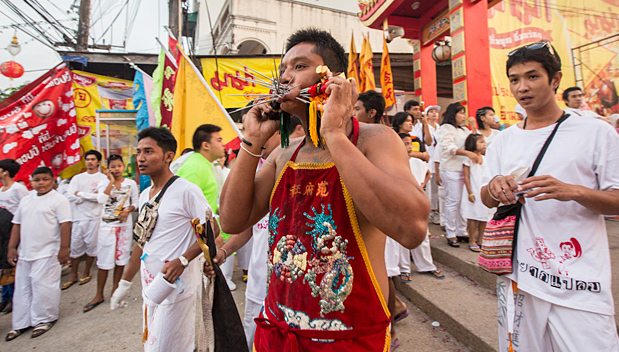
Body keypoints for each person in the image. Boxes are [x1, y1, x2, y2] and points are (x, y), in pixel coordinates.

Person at [219, 28, 429, 351]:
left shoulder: (373, 141)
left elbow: (413, 228)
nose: (285, 77)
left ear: (331, 79)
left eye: (299, 67)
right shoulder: (283, 154)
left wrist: (333, 132)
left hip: (346, 337)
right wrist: (252, 141)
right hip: (277, 330)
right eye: (283, 69)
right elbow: (232, 221)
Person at [482, 41, 619, 351]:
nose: (522, 87)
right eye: (514, 79)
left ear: (555, 79)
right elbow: (486, 197)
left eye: (533, 77)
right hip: (520, 276)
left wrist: (573, 191)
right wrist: (495, 188)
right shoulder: (504, 142)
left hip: (581, 283)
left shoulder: (595, 133)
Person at [110, 127, 210, 351]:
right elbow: (141, 241)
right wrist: (124, 284)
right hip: (152, 284)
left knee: (165, 347)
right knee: (153, 343)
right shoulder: (146, 194)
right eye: (138, 152)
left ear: (168, 156)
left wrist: (183, 260)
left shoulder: (187, 190)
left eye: (148, 152)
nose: (141, 158)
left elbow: (210, 232)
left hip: (177, 285)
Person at [212, 130, 286, 350]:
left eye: (270, 130)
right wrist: (224, 252)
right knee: (251, 341)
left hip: (287, 292)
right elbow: (247, 226)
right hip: (257, 287)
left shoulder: (299, 173)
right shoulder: (256, 172)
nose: (262, 137)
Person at [5, 167, 72, 340]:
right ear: (31, 181)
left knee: (43, 286)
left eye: (44, 179)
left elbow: (65, 224)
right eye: (37, 180)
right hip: (25, 252)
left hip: (48, 251)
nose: (40, 183)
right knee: (22, 288)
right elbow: (17, 224)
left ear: (52, 180)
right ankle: (21, 323)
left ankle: (44, 319)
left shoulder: (59, 200)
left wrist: (64, 248)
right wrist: (12, 247)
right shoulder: (26, 200)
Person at [83, 154, 139, 313]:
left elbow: (135, 202)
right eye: (113, 166)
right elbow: (101, 199)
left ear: (123, 166)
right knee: (104, 261)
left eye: (119, 166)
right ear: (108, 168)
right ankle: (99, 294)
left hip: (124, 227)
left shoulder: (131, 184)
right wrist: (111, 182)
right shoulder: (103, 183)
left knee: (120, 260)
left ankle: (115, 290)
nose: (116, 169)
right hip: (107, 226)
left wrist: (128, 211)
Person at [397, 133, 443, 283]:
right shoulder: (395, 163)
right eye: (405, 144)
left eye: (410, 144)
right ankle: (404, 268)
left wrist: (422, 185)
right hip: (402, 203)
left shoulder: (417, 162)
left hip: (417, 202)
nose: (409, 147)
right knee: (403, 236)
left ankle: (426, 265)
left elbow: (428, 173)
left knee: (422, 234)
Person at [437, 103, 480, 247]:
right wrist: (466, 153)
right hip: (451, 169)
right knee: (453, 202)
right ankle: (451, 233)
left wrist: (473, 126)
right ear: (453, 114)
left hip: (464, 170)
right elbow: (449, 147)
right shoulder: (446, 128)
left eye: (464, 113)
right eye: (461, 113)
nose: (463, 116)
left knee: (463, 202)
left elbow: (474, 141)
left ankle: (461, 231)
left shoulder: (463, 130)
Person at [63, 150, 107, 289]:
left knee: (91, 247)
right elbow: (70, 196)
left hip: (94, 218)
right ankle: (73, 274)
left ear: (98, 162)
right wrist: (89, 196)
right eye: (87, 159)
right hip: (78, 218)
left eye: (93, 159)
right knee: (75, 247)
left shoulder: (102, 179)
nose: (90, 162)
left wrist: (80, 195)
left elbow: (100, 198)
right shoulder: (77, 178)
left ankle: (87, 271)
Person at [0, 159, 29, 314]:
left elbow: (27, 206)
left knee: (13, 264)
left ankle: (14, 297)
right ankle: (5, 298)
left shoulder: (18, 188)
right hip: (2, 233)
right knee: (4, 264)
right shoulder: (2, 190)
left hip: (14, 231)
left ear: (5, 171)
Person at [460, 134, 490, 253]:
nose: (484, 144)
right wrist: (470, 192)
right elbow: (466, 177)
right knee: (473, 216)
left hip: (483, 189)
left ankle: (481, 239)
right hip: (473, 189)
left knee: (484, 216)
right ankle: (472, 239)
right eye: (481, 142)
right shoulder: (468, 159)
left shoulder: (486, 158)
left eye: (484, 142)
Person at [424, 105, 441, 224]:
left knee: (436, 188)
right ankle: (429, 211)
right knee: (428, 187)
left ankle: (435, 211)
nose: (434, 114)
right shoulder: (424, 127)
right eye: (431, 112)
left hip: (438, 161)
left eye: (436, 112)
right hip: (428, 160)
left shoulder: (440, 128)